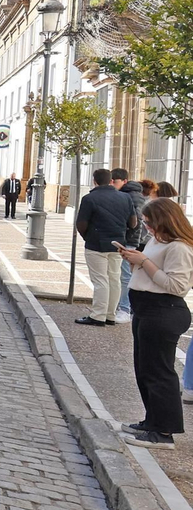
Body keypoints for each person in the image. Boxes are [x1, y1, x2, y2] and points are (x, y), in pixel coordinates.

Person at [119, 199, 193, 449]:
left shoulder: (179, 248)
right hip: (145, 308)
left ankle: (164, 432)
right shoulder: (158, 241)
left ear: (164, 220)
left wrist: (143, 262)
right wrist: (135, 260)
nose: (146, 225)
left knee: (159, 372)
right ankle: (152, 421)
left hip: (164, 310)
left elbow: (177, 286)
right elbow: (150, 272)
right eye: (144, 221)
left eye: (149, 221)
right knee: (144, 368)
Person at [75, 167, 137, 327]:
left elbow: (81, 224)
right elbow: (133, 222)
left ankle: (98, 315)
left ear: (94, 181)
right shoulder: (125, 198)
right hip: (118, 244)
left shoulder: (89, 198)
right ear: (111, 181)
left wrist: (88, 237)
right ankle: (110, 315)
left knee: (100, 280)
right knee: (114, 278)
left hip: (97, 244)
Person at [114, 169, 148, 323]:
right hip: (126, 240)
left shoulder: (133, 196)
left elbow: (137, 222)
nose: (113, 184)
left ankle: (125, 309)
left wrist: (133, 240)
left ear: (124, 181)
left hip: (130, 241)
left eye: (115, 181)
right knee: (122, 275)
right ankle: (124, 307)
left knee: (126, 276)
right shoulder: (125, 194)